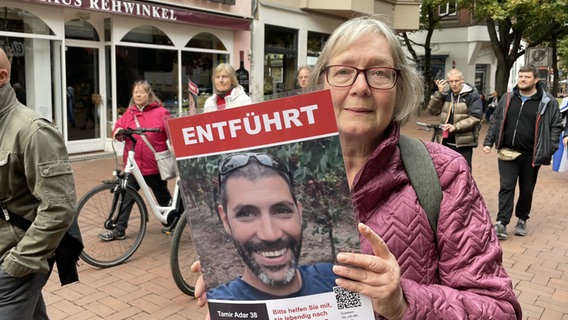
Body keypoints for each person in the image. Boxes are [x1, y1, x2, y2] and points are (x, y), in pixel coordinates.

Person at [193, 16, 522, 319]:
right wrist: (235, 293)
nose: (361, 87)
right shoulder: (284, 175)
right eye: (343, 71)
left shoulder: (442, 173)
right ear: (322, 84)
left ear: (399, 88)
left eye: (379, 72)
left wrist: (405, 301)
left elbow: (499, 308)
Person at [0, 48, 77, 319]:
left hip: (15, 260)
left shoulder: (33, 131)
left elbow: (59, 208)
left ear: (1, 77)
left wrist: (16, 264)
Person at [206, 152, 336, 300]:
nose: (270, 235)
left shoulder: (336, 281)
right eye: (246, 214)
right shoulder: (223, 307)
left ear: (299, 213)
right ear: (225, 221)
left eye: (282, 211)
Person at [483, 65, 562, 240]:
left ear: (536, 80)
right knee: (506, 186)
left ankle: (522, 219)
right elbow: (496, 120)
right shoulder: (508, 97)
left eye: (527, 77)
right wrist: (489, 141)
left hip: (531, 154)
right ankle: (502, 222)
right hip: (507, 151)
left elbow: (556, 125)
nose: (523, 80)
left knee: (526, 189)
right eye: (520, 76)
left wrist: (550, 148)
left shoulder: (546, 101)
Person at [98, 80, 173, 241]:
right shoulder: (129, 113)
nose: (138, 94)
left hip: (154, 165)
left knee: (162, 196)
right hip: (133, 167)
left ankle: (172, 222)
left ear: (149, 94)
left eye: (142, 91)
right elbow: (117, 129)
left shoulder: (161, 113)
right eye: (135, 91)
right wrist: (118, 132)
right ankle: (119, 230)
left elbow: (172, 134)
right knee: (126, 198)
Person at [427, 68, 483, 169]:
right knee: (446, 172)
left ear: (462, 80)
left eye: (456, 81)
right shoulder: (447, 95)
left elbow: (475, 118)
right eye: (451, 81)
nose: (454, 84)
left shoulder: (472, 95)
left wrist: (455, 127)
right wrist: (439, 93)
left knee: (463, 173)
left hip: (464, 144)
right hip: (445, 142)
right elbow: (432, 111)